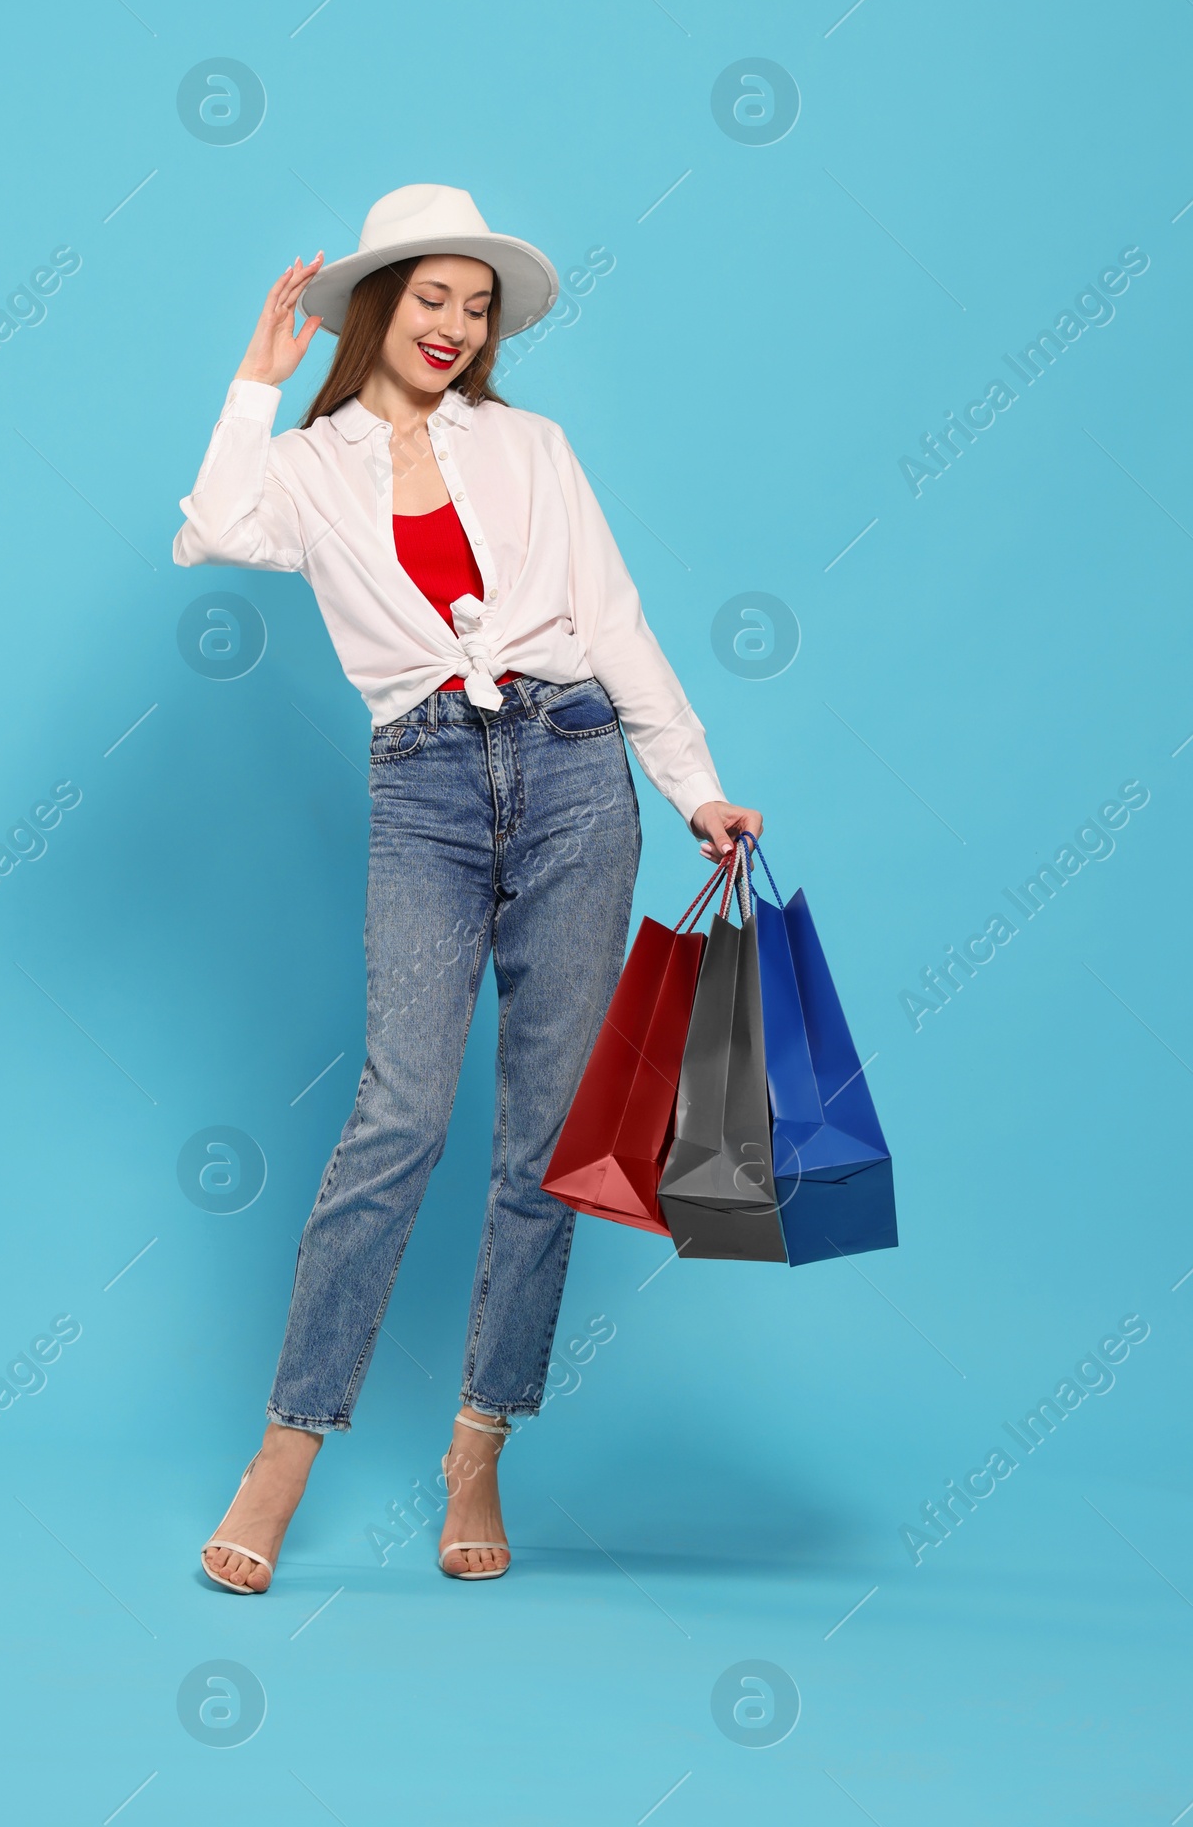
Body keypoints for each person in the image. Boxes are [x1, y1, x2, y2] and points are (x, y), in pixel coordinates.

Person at [173, 184, 761, 1590]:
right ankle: (287, 1450)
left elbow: (613, 620)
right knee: (400, 1116)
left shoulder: (534, 447)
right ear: (377, 306)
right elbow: (211, 526)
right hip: (426, 785)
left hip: (573, 775)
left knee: (546, 1135)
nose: (454, 325)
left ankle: (481, 1440)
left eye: (476, 304)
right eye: (430, 297)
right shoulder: (312, 466)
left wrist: (695, 787)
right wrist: (255, 380)